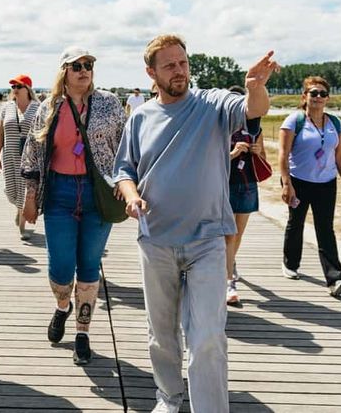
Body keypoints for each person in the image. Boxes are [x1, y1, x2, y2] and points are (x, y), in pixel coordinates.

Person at [114, 34, 278, 413]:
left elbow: (254, 110)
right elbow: (123, 169)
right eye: (169, 65)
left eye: (183, 62)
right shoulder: (140, 117)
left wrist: (255, 88)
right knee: (161, 333)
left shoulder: (212, 103)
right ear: (151, 72)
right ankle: (169, 398)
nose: (179, 71)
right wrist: (130, 194)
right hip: (155, 239)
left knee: (207, 335)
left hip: (207, 239)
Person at [21, 47, 125, 366]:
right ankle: (62, 306)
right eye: (77, 65)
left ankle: (82, 332)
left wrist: (125, 182)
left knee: (90, 265)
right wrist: (30, 194)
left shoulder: (109, 103)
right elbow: (34, 151)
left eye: (89, 65)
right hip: (59, 193)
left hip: (97, 192)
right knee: (61, 268)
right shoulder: (49, 107)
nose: (84, 70)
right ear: (64, 71)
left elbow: (124, 147)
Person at [278, 76, 341, 297]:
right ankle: (290, 263)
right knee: (296, 223)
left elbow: (340, 157)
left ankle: (336, 278)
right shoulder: (294, 121)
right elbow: (283, 155)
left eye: (322, 93)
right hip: (299, 181)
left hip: (326, 184)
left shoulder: (335, 123)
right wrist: (286, 184)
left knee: (325, 229)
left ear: (328, 98)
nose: (318, 97)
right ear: (305, 97)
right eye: (313, 93)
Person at [225, 85, 266, 306]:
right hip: (225, 184)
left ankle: (230, 263)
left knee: (237, 235)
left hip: (247, 184)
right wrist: (232, 153)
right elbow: (210, 159)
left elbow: (264, 159)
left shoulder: (255, 128)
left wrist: (257, 151)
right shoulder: (220, 127)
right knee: (228, 235)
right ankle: (229, 281)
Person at [0, 74, 40, 238]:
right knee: (11, 189)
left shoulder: (37, 107)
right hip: (10, 155)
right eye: (13, 87)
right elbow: (0, 133)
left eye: (18, 86)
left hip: (29, 156)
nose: (15, 90)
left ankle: (22, 226)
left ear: (27, 89)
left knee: (25, 188)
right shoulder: (7, 107)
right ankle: (19, 209)